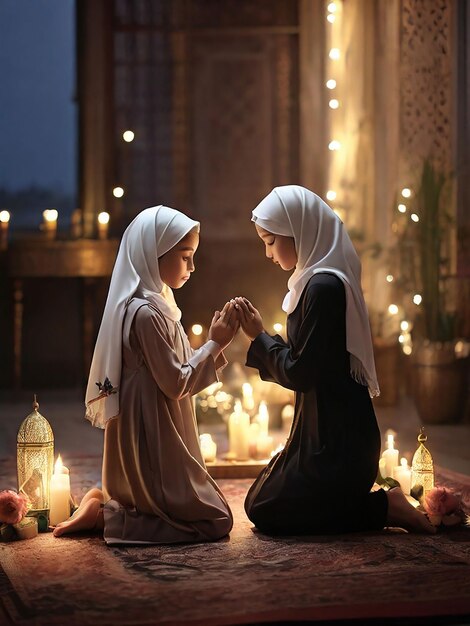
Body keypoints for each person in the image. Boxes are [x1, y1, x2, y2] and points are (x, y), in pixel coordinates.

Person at [235, 185, 435, 535]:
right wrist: (265, 340)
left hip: (339, 442)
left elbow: (301, 372)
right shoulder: (310, 283)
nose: (267, 253)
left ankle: (385, 506)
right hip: (316, 432)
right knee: (257, 499)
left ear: (298, 232)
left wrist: (259, 337)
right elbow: (307, 361)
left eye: (270, 241)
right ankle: (373, 503)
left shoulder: (324, 288)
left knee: (267, 509)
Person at [53, 206, 237, 543]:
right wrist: (215, 342)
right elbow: (177, 382)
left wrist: (215, 345)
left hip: (162, 421)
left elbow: (176, 372)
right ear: (153, 256)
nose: (192, 266)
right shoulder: (145, 314)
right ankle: (113, 518)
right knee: (215, 520)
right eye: (185, 256)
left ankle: (108, 506)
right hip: (150, 430)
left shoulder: (159, 302)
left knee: (212, 513)